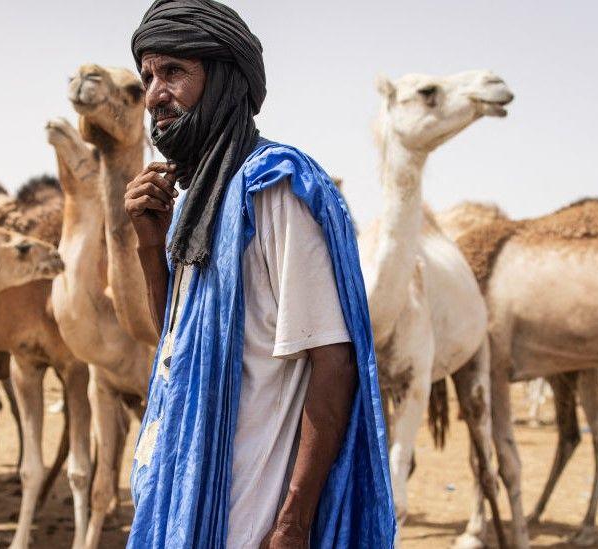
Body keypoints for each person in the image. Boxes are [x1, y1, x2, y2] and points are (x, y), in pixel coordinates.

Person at [123, 1, 395, 547]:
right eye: (148, 76)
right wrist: (151, 244)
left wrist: (292, 522)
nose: (154, 95)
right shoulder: (199, 197)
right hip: (182, 497)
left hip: (251, 514)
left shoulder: (273, 190)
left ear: (225, 78)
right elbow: (179, 350)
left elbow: (333, 361)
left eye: (174, 72)